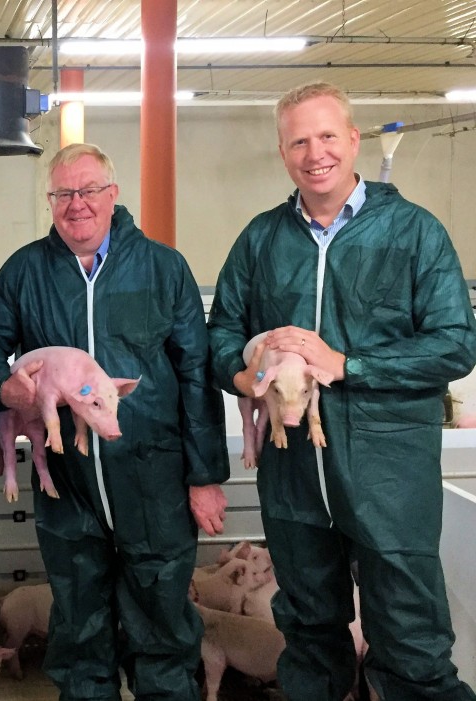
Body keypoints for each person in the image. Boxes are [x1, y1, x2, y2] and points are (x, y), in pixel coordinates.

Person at [207, 82, 476, 700]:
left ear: (354, 140)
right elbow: (223, 329)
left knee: (409, 637)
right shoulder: (262, 239)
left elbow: (455, 344)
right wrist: (242, 374)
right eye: (298, 140)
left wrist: (347, 364)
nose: (314, 152)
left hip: (390, 473)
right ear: (282, 151)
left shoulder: (414, 232)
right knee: (306, 631)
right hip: (294, 472)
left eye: (327, 135)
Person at [0, 142, 229, 699]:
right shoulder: (25, 270)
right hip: (68, 483)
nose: (77, 204)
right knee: (79, 622)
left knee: (162, 620)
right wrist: (2, 379)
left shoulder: (163, 267)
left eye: (88, 191)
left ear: (113, 196)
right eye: (64, 194)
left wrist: (205, 477)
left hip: (153, 474)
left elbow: (196, 374)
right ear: (50, 201)